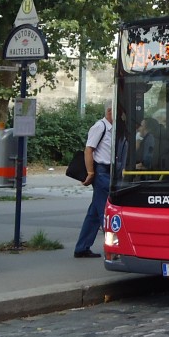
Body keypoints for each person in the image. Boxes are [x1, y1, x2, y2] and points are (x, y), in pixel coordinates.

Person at [74, 106, 113, 259]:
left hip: (107, 171)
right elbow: (89, 150)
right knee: (105, 210)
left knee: (94, 213)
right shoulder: (100, 127)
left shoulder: (111, 129)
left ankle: (82, 247)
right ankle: (113, 248)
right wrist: (91, 172)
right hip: (101, 171)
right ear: (110, 111)